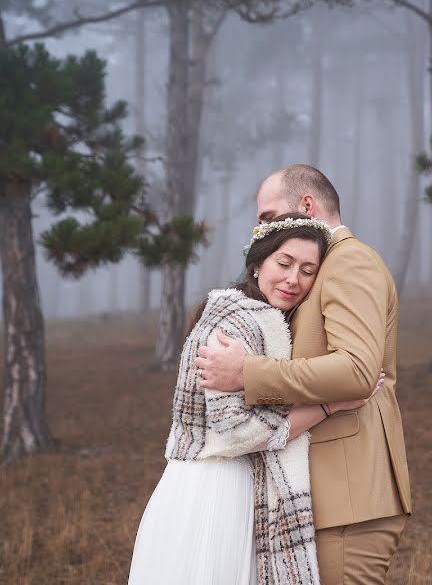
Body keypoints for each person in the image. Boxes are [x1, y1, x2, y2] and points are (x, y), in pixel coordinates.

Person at [128, 212, 379, 585]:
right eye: (284, 263)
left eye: (308, 270)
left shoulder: (255, 316)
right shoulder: (239, 321)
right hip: (214, 492)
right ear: (258, 262)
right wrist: (329, 404)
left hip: (227, 483)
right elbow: (236, 435)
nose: (294, 279)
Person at [195, 164, 412, 584]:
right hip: (327, 496)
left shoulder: (350, 262)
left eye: (268, 218)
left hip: (351, 498)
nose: (262, 231)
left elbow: (357, 370)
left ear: (307, 205)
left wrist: (248, 373)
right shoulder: (321, 268)